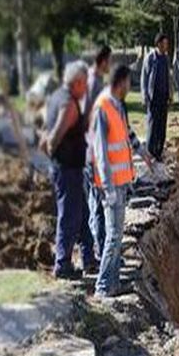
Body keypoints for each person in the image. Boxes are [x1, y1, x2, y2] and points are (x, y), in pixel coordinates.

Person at [42, 60, 97, 279]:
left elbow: (44, 133)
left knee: (82, 213)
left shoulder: (56, 97)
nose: (86, 89)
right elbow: (52, 139)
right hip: (67, 170)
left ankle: (89, 258)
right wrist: (55, 156)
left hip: (68, 169)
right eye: (85, 84)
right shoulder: (69, 106)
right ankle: (62, 264)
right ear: (77, 82)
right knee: (69, 216)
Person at [90, 65, 141, 298]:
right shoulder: (103, 108)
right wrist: (108, 187)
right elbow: (100, 152)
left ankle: (114, 284)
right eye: (128, 82)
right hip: (110, 185)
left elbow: (125, 138)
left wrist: (141, 154)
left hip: (121, 182)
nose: (130, 86)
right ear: (121, 82)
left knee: (118, 236)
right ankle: (102, 287)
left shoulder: (117, 106)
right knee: (112, 237)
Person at [85, 46, 113, 261]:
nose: (110, 65)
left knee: (96, 203)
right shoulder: (93, 83)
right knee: (97, 204)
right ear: (102, 61)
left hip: (93, 149)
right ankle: (101, 250)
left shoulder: (94, 81)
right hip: (92, 152)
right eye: (109, 61)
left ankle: (99, 247)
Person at [140, 33, 171, 161]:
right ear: (158, 44)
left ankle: (158, 152)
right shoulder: (150, 58)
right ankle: (150, 152)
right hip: (153, 98)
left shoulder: (166, 58)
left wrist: (170, 94)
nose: (166, 46)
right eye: (164, 44)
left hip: (164, 98)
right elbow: (144, 78)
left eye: (167, 44)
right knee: (153, 126)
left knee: (162, 127)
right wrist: (144, 96)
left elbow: (168, 78)